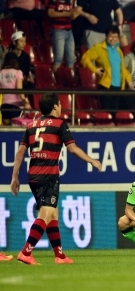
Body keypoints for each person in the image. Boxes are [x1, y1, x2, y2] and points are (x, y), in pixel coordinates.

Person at [10, 93, 102, 265]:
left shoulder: (31, 125)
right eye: (59, 104)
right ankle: (26, 252)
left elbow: (20, 153)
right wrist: (92, 160)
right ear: (54, 106)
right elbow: (73, 149)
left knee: (53, 213)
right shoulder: (60, 124)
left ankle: (59, 256)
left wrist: (14, 176)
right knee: (46, 213)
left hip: (33, 176)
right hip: (49, 176)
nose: (61, 107)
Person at [81, 26, 133, 112]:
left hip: (119, 87)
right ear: (106, 36)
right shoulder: (99, 48)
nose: (113, 39)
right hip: (105, 86)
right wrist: (94, 69)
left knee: (115, 113)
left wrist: (129, 80)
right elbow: (84, 58)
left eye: (115, 37)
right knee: (106, 113)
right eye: (110, 36)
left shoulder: (118, 50)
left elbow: (122, 68)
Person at [48, 0, 81, 72]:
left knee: (71, 59)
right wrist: (67, 14)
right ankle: (56, 80)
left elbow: (72, 15)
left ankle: (69, 80)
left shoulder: (71, 1)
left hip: (69, 30)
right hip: (58, 29)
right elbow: (50, 13)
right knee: (58, 58)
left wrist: (74, 14)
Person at [0, 53, 30, 125]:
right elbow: (19, 89)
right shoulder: (18, 72)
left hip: (4, 106)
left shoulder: (1, 72)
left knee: (7, 131)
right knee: (15, 130)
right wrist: (25, 102)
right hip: (16, 105)